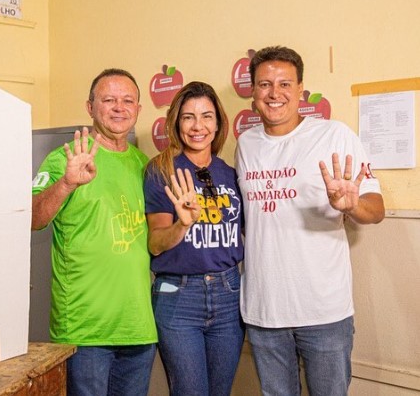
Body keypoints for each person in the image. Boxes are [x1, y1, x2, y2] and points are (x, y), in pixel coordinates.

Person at [235, 46, 385, 396]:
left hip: (324, 312)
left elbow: (375, 209)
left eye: (285, 84)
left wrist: (351, 206)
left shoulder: (335, 135)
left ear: (300, 89)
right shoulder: (245, 144)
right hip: (263, 311)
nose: (275, 94)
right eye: (265, 84)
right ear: (253, 91)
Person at [31, 68, 157, 396]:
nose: (119, 107)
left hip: (138, 328)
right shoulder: (64, 159)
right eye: (109, 99)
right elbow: (32, 219)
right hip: (84, 331)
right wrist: (67, 183)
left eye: (128, 100)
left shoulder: (144, 165)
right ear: (90, 107)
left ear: (138, 110)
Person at [144, 81, 245, 396]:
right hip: (179, 296)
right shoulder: (161, 171)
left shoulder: (230, 173)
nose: (197, 126)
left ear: (218, 123)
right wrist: (182, 225)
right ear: (176, 123)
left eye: (206, 116)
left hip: (229, 293)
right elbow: (155, 243)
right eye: (188, 117)